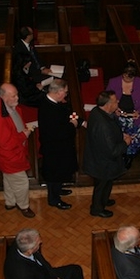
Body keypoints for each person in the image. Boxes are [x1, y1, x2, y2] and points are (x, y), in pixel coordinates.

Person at [0, 83, 35, 218]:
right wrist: (23, 136)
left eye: (16, 94)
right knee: (21, 182)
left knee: (9, 179)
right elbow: (5, 143)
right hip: (9, 156)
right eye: (13, 96)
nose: (17, 98)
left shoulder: (5, 106)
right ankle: (23, 206)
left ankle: (10, 202)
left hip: (8, 156)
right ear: (3, 97)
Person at [82, 90, 131, 218]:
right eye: (115, 101)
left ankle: (104, 200)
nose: (118, 102)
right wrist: (125, 143)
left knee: (107, 183)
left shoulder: (97, 111)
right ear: (108, 104)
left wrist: (120, 135)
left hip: (99, 158)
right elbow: (113, 150)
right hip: (102, 162)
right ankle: (97, 209)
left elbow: (111, 130)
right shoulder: (102, 124)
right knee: (101, 185)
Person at [38, 79, 84, 210]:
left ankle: (58, 189)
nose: (66, 94)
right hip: (53, 148)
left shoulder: (55, 103)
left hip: (59, 147)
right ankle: (54, 199)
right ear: (58, 92)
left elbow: (68, 114)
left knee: (59, 171)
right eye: (65, 92)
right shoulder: (48, 108)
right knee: (54, 173)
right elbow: (58, 132)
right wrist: (72, 125)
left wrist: (80, 121)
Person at [106, 62, 140, 168]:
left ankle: (129, 157)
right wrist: (114, 109)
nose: (128, 80)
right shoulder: (113, 82)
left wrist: (139, 111)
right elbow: (107, 97)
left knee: (133, 140)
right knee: (118, 138)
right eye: (126, 77)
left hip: (135, 118)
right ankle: (119, 155)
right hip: (119, 117)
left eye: (130, 78)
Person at [12, 26, 52, 107]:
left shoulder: (30, 45)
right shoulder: (19, 49)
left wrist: (42, 68)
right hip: (32, 79)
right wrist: (40, 73)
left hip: (35, 76)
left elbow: (37, 58)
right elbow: (25, 77)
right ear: (28, 36)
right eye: (32, 33)